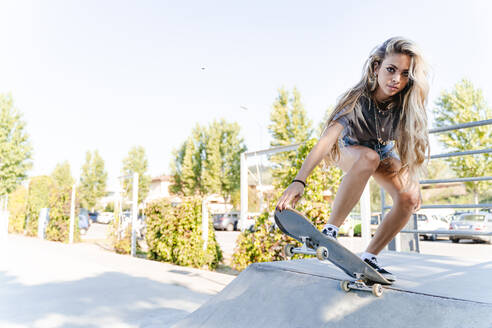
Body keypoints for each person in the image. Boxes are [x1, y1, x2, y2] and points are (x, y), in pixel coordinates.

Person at [276, 37, 430, 282]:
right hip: (349, 149)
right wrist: (299, 181)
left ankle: (370, 256)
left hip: (384, 152)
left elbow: (407, 148)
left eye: (404, 74)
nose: (396, 80)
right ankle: (330, 231)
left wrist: (412, 180)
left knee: (409, 198)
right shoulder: (357, 100)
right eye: (391, 70)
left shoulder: (405, 103)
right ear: (376, 67)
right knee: (368, 157)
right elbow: (325, 142)